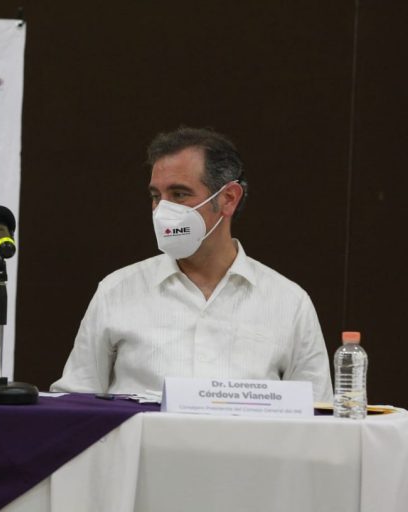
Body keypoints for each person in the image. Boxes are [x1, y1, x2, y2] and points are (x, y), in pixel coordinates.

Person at [51, 127, 333, 402]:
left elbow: (319, 419)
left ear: (228, 199)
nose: (162, 210)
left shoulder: (289, 303)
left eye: (179, 194)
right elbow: (75, 407)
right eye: (155, 196)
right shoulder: (116, 291)